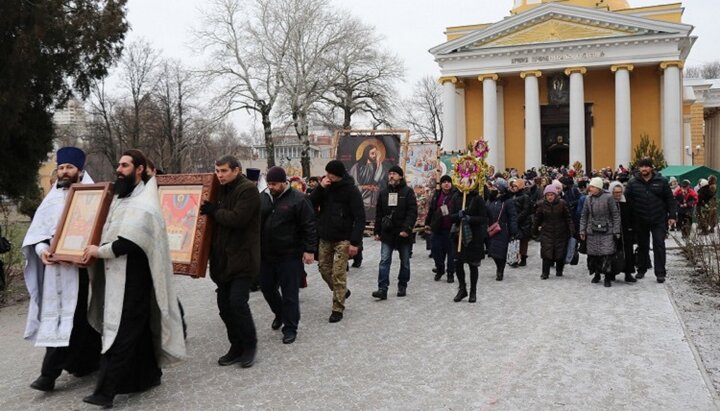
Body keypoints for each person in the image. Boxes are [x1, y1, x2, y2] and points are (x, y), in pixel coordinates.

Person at [82, 149, 186, 407]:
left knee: (122, 332)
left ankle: (105, 392)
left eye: (125, 165)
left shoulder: (145, 203)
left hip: (134, 278)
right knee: (135, 330)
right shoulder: (122, 198)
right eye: (118, 165)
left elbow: (128, 243)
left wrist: (98, 251)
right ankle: (149, 376)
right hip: (118, 274)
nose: (119, 169)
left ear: (139, 169)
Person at [22, 147, 101, 392]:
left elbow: (101, 230)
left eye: (69, 167)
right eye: (61, 168)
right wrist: (42, 251)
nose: (64, 172)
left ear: (80, 170)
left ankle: (49, 374)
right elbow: (37, 236)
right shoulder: (51, 200)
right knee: (64, 318)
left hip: (82, 271)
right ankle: (87, 361)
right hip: (55, 271)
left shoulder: (94, 195)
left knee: (76, 318)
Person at [200, 155, 260, 367]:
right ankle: (236, 346)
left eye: (224, 171)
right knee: (224, 306)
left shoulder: (248, 190)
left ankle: (250, 346)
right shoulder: (218, 189)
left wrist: (214, 211)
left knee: (237, 303)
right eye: (217, 171)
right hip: (222, 260)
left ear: (236, 170)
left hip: (243, 259)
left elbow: (237, 219)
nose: (220, 175)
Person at [259, 167, 316, 344]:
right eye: (269, 183)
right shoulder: (264, 198)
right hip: (266, 254)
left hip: (289, 255)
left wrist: (309, 250)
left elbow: (309, 225)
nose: (271, 187)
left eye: (274, 183)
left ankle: (290, 327)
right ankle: (280, 313)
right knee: (267, 288)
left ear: (284, 182)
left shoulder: (299, 199)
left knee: (290, 293)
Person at [309, 160, 365, 323]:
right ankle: (341, 291)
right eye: (326, 174)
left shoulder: (351, 190)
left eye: (330, 174)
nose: (328, 176)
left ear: (338, 175)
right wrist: (320, 188)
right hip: (326, 236)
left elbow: (360, 218)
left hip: (344, 238)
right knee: (323, 269)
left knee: (339, 273)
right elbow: (310, 203)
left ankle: (338, 308)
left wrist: (355, 242)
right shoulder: (325, 187)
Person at [624, 158, 677, 283]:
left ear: (651, 168)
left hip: (658, 218)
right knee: (642, 246)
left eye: (646, 166)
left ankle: (660, 273)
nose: (644, 169)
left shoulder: (662, 181)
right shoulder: (633, 183)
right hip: (640, 219)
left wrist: (672, 216)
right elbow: (627, 201)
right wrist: (629, 219)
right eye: (641, 166)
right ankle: (641, 269)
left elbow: (670, 199)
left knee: (659, 244)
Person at [372, 166, 417, 300]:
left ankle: (402, 284)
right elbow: (379, 213)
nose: (391, 176)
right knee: (384, 260)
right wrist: (377, 230)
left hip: (403, 233)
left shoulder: (408, 192)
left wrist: (407, 229)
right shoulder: (384, 192)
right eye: (390, 173)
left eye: (394, 174)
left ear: (401, 176)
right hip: (387, 233)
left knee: (405, 261)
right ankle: (382, 288)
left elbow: (412, 212)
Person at [579, 177, 621, 287]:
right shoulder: (588, 199)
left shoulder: (608, 198)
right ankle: (596, 273)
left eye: (592, 187)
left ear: (598, 187)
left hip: (607, 231)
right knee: (594, 254)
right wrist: (582, 230)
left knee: (606, 254)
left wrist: (616, 231)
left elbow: (615, 215)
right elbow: (584, 215)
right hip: (592, 231)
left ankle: (607, 276)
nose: (590, 189)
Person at [450, 187, 487, 302]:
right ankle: (462, 288)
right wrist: (458, 216)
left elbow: (483, 218)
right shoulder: (456, 197)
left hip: (473, 236)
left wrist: (469, 218)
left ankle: (473, 291)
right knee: (458, 263)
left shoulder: (477, 198)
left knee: (473, 265)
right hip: (459, 236)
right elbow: (451, 217)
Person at [533, 184, 574, 279]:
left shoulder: (562, 203)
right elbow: (537, 219)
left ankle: (559, 270)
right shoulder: (541, 204)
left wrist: (571, 230)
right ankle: (545, 273)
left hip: (561, 231)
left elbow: (568, 217)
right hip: (547, 231)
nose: (550, 197)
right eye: (548, 195)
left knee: (560, 252)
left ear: (555, 195)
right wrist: (534, 230)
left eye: (551, 194)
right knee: (546, 253)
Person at [425, 175, 458, 282]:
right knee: (436, 251)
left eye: (448, 182)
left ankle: (450, 273)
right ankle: (440, 269)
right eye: (444, 182)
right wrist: (427, 223)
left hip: (450, 228)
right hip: (437, 228)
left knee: (451, 253)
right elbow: (431, 209)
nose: (446, 184)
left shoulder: (456, 195)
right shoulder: (437, 194)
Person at [485, 178, 518, 281]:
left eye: (495, 187)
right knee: (492, 252)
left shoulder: (507, 201)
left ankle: (500, 270)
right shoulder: (490, 200)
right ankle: (498, 266)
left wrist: (513, 231)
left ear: (500, 189)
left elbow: (513, 216)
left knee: (501, 252)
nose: (492, 188)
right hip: (491, 229)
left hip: (502, 229)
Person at [349, 144, 388, 222]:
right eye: (372, 153)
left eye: (376, 154)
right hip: (361, 201)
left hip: (373, 202)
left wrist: (378, 162)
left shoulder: (377, 166)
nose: (374, 156)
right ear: (367, 153)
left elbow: (377, 179)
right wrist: (366, 187)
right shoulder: (357, 167)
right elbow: (352, 186)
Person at [609, 182, 637, 283]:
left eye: (620, 192)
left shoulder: (627, 201)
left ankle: (628, 273)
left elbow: (633, 216)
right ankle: (612, 272)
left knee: (628, 253)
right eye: (615, 192)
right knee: (612, 252)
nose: (618, 194)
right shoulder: (608, 201)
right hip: (612, 232)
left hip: (626, 231)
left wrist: (632, 229)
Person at [509, 178, 533, 267]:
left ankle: (523, 258)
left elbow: (526, 210)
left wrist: (517, 219)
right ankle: (514, 258)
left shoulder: (525, 196)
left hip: (523, 222)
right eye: (513, 186)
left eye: (515, 186)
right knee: (515, 241)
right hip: (515, 221)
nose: (514, 188)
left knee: (523, 241)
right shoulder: (513, 196)